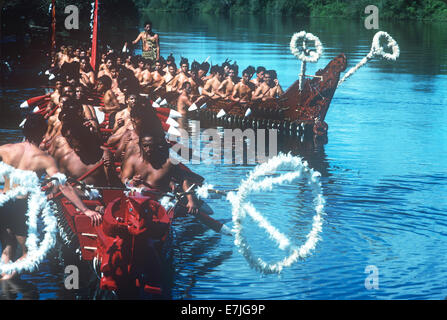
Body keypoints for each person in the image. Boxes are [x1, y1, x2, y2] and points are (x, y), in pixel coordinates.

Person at [0, 114, 102, 280]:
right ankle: (5, 283)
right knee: (28, 254)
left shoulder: (5, 149)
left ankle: (5, 286)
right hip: (20, 208)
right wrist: (85, 210)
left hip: (3, 203)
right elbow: (63, 185)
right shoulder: (44, 159)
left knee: (7, 247)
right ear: (42, 133)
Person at [120, 132, 199, 214]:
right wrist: (130, 182)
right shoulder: (133, 160)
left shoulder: (169, 162)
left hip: (159, 203)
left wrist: (191, 200)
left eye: (151, 146)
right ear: (140, 146)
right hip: (135, 199)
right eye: (145, 146)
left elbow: (183, 180)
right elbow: (123, 178)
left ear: (157, 145)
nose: (148, 149)